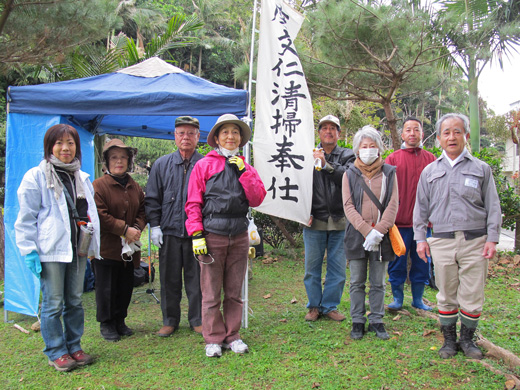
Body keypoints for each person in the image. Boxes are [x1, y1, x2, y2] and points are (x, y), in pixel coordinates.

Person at [414, 113, 501, 360]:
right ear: (439, 139)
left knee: (472, 293)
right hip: (441, 241)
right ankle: (449, 341)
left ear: (466, 135)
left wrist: (492, 238)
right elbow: (420, 208)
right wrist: (421, 239)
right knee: (446, 292)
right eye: (446, 132)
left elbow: (493, 206)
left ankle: (468, 340)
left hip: (475, 241)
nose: (451, 137)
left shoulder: (481, 169)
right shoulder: (430, 171)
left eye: (457, 131)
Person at [15, 124, 100, 372]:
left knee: (74, 300)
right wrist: (29, 250)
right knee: (53, 303)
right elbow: (26, 217)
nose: (65, 148)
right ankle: (56, 351)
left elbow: (89, 213)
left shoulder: (81, 177)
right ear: (49, 146)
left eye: (71, 143)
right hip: (50, 249)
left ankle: (74, 346)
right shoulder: (37, 176)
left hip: (78, 248)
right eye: (59, 143)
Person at [185, 114, 266, 358]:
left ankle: (233, 335)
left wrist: (244, 172)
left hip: (239, 235)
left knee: (233, 291)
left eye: (235, 132)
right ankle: (212, 338)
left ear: (241, 139)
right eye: (225, 132)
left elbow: (257, 198)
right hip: (212, 235)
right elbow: (193, 203)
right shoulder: (204, 165)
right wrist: (197, 234)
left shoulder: (246, 166)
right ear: (217, 138)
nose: (230, 137)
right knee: (210, 292)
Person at [145, 116, 204, 337]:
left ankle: (197, 319)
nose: (186, 137)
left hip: (196, 233)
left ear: (198, 137)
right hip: (168, 232)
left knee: (196, 279)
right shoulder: (161, 164)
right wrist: (154, 226)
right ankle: (169, 320)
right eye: (181, 133)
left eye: (191, 133)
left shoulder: (205, 164)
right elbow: (152, 199)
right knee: (169, 279)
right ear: (174, 136)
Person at [342, 126, 398, 340]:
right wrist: (367, 231)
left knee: (378, 281)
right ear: (357, 150)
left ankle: (377, 319)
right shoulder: (350, 174)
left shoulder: (389, 173)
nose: (368, 150)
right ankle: (357, 320)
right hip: (357, 234)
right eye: (364, 146)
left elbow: (393, 204)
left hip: (382, 235)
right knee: (356, 281)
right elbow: (348, 206)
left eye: (372, 146)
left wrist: (378, 231)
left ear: (379, 149)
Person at [91, 139, 146, 342]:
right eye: (114, 157)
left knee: (125, 285)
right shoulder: (99, 185)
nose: (119, 161)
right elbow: (99, 215)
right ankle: (107, 323)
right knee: (106, 287)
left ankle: (120, 320)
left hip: (129, 249)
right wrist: (123, 230)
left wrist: (137, 228)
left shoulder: (134, 186)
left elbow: (143, 210)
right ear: (107, 161)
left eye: (123, 157)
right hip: (107, 247)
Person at [303, 115, 355, 322]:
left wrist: (326, 165)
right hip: (313, 219)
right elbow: (300, 185)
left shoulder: (348, 155)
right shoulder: (308, 155)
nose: (328, 131)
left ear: (339, 133)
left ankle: (330, 306)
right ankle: (314, 306)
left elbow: (349, 177)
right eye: (324, 128)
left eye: (333, 128)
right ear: (319, 132)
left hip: (341, 219)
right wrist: (302, 211)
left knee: (338, 268)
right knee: (311, 267)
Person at [385, 117, 436, 311]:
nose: (412, 133)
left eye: (416, 129)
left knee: (422, 261)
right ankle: (397, 299)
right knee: (397, 261)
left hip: (424, 225)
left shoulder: (431, 159)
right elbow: (386, 191)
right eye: (408, 130)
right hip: (399, 223)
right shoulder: (393, 159)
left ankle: (418, 300)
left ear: (422, 133)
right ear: (402, 134)